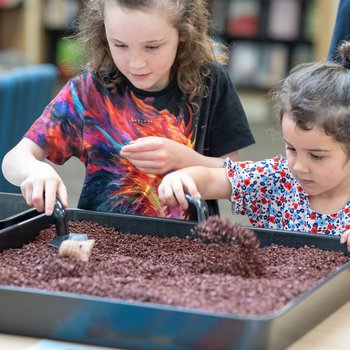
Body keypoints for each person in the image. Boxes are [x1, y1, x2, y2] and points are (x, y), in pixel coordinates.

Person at [1, 0, 255, 219]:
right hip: (104, 245)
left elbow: (232, 177)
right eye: (120, 45)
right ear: (103, 34)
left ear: (183, 33)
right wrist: (36, 171)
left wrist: (183, 159)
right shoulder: (87, 91)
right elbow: (13, 160)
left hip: (188, 247)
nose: (136, 63)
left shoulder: (210, 83)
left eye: (153, 46)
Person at [158, 41, 350, 250]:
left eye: (316, 156)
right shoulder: (277, 178)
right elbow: (214, 180)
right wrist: (181, 179)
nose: (298, 167)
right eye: (292, 149)